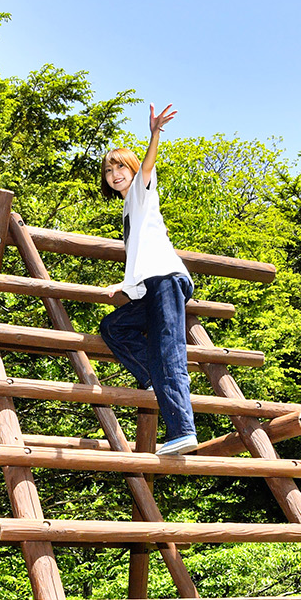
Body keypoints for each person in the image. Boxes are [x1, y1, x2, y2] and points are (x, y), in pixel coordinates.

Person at [97, 103, 198, 455]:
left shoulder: (142, 192)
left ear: (133, 168)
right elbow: (139, 257)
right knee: (113, 327)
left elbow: (149, 166)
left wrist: (154, 134)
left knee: (168, 353)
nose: (114, 174)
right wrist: (123, 287)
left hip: (166, 280)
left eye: (120, 166)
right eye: (109, 170)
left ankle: (183, 430)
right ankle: (155, 379)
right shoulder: (127, 209)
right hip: (149, 288)